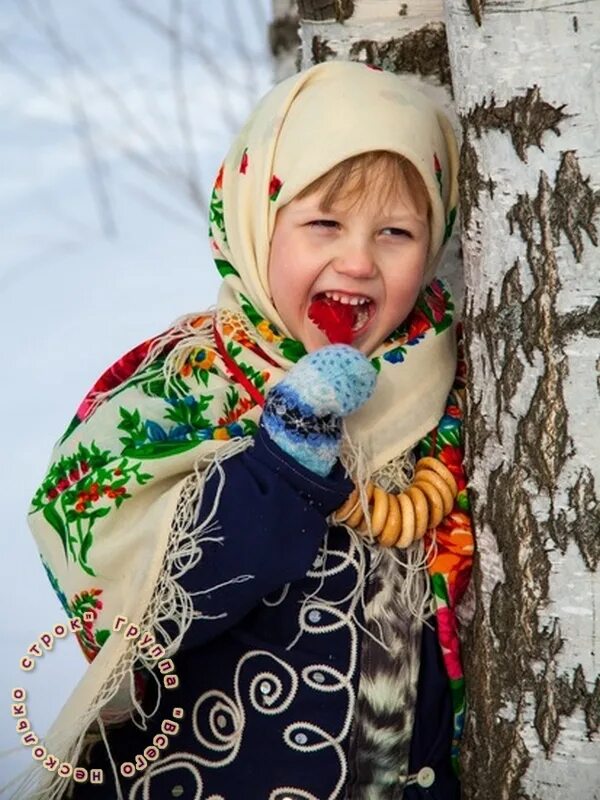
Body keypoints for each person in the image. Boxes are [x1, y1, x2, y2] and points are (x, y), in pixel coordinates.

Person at [21, 61, 473, 800]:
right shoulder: (184, 385)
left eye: (395, 232)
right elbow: (141, 606)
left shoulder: (447, 394)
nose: (357, 261)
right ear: (252, 219)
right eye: (323, 222)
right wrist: (279, 462)